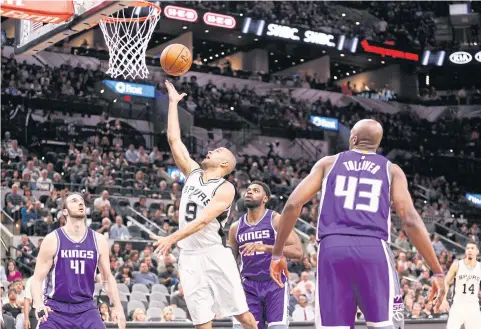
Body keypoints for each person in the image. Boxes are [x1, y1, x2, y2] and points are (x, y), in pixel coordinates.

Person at [270, 119, 446, 329]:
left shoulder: (328, 163)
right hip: (373, 248)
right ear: (377, 144)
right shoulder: (391, 170)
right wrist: (437, 271)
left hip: (332, 248)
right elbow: (410, 220)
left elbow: (292, 205)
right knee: (383, 325)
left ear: (353, 138)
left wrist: (277, 253)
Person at [150, 80, 258, 329]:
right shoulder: (192, 172)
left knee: (242, 315)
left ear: (225, 165)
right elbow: (173, 139)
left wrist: (171, 238)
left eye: (218, 150)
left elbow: (204, 220)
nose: (212, 150)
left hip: (214, 254)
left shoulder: (226, 188)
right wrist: (173, 104)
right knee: (201, 321)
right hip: (188, 257)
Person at [30, 193, 126, 329]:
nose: (80, 203)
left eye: (82, 201)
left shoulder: (99, 240)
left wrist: (118, 308)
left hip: (86, 308)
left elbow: (107, 278)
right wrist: (39, 304)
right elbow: (37, 279)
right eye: (74, 201)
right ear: (64, 211)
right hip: (56, 309)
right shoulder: (52, 239)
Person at [229, 181, 303, 329]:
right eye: (248, 190)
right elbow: (230, 262)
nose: (249, 192)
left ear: (265, 199)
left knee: (277, 327)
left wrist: (265, 247)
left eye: (256, 190)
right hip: (248, 285)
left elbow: (298, 252)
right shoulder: (235, 227)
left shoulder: (276, 220)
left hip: (275, 284)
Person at [441, 242, 481, 329]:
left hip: (473, 305)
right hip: (458, 304)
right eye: (468, 248)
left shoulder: (479, 267)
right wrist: (444, 299)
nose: (469, 250)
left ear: (477, 251)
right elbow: (446, 281)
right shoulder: (457, 265)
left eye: (472, 248)